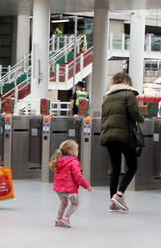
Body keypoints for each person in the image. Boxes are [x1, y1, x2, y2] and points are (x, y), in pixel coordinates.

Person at [100, 72, 145, 212]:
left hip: (108, 136)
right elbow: (134, 114)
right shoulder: (128, 94)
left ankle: (112, 203)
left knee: (115, 168)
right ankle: (119, 195)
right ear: (127, 82)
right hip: (124, 135)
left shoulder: (107, 97)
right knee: (132, 166)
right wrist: (141, 118)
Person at [50, 139, 91, 228]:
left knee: (63, 203)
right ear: (71, 152)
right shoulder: (74, 162)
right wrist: (86, 186)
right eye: (77, 149)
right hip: (70, 190)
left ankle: (58, 219)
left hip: (59, 189)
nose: (78, 151)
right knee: (75, 203)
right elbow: (78, 177)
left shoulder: (59, 160)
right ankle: (65, 218)